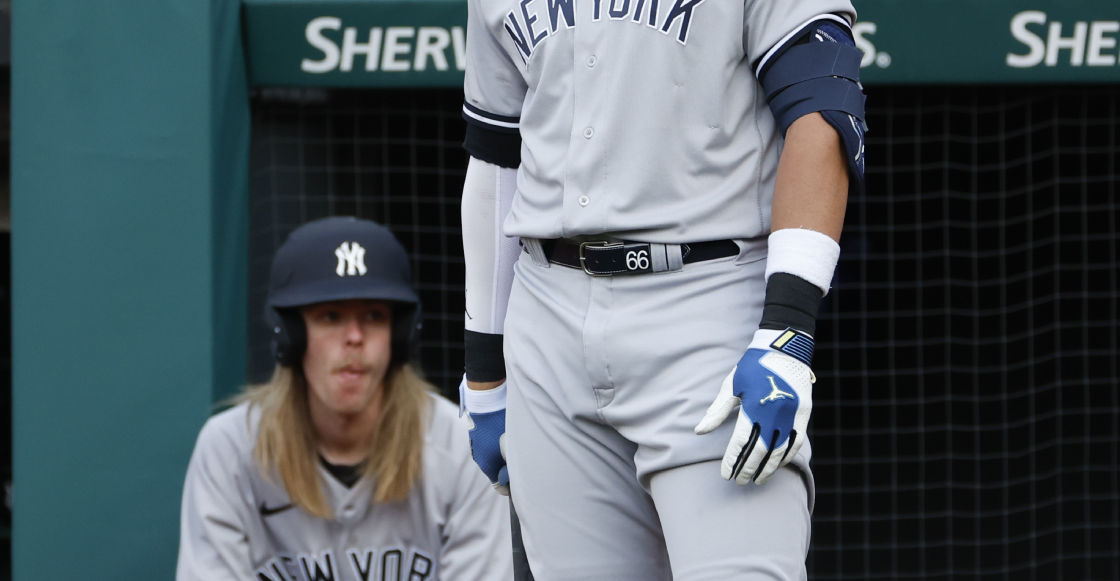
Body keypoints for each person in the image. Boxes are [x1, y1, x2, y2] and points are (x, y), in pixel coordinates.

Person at [457, 0, 867, 578]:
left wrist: (786, 329)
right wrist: (485, 372)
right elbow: (497, 158)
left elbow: (825, 109)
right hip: (546, 311)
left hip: (705, 307)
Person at [177, 217, 514, 581]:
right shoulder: (230, 450)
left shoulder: (462, 447)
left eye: (373, 315)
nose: (354, 337)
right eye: (331, 315)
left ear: (399, 336)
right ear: (291, 335)